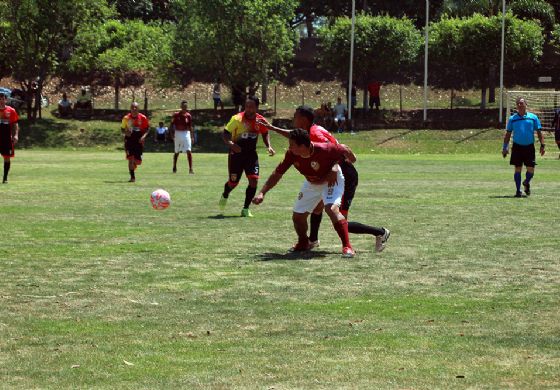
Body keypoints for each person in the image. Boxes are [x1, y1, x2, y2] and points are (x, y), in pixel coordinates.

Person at [258, 105, 390, 252]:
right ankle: (312, 240)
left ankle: (380, 232)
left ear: (304, 119)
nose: (293, 118)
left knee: (337, 216)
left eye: (295, 115)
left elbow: (335, 152)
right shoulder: (307, 133)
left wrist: (334, 167)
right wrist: (273, 128)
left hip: (342, 172)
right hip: (324, 172)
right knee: (316, 208)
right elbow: (294, 135)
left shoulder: (316, 136)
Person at [252, 129, 357, 258]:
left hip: (330, 181)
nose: (289, 147)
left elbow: (344, 150)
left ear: (302, 146)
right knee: (298, 217)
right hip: (312, 183)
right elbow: (277, 173)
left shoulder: (325, 149)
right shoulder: (292, 154)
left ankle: (348, 247)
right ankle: (303, 242)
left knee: (331, 208)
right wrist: (262, 193)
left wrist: (339, 165)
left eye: (292, 145)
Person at [219, 96, 275, 217]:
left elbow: (265, 133)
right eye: (247, 106)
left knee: (253, 181)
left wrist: (268, 146)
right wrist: (231, 144)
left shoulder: (260, 120)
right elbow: (225, 134)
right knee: (233, 183)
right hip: (236, 155)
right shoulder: (237, 119)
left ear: (257, 107)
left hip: (251, 155)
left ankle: (245, 209)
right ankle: (225, 194)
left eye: (251, 107)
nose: (248, 109)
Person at [502, 97, 545, 197]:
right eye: (518, 104)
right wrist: (505, 147)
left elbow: (539, 132)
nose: (520, 105)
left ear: (526, 105)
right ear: (516, 106)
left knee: (531, 170)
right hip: (517, 147)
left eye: (522, 103)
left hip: (529, 147)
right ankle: (518, 191)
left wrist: (542, 145)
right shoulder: (512, 119)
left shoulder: (533, 117)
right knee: (518, 168)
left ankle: (526, 182)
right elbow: (508, 134)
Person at [121, 102, 149, 183]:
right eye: (132, 107)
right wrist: (126, 133)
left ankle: (134, 164)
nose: (134, 109)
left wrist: (143, 137)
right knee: (130, 159)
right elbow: (122, 129)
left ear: (138, 109)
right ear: (130, 109)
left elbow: (147, 129)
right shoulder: (126, 118)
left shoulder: (143, 118)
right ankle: (132, 177)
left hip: (138, 140)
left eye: (135, 107)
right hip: (129, 140)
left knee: (137, 161)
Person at [170, 101, 194, 174]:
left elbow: (190, 126)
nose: (184, 108)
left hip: (186, 133)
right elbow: (171, 125)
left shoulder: (188, 116)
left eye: (185, 107)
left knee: (189, 150)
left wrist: (192, 136)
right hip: (178, 133)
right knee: (177, 151)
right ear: (181, 107)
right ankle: (174, 166)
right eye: (183, 106)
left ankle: (190, 169)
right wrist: (171, 134)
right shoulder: (176, 115)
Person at [0, 92, 19, 184]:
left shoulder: (11, 110)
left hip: (6, 138)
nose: (1, 101)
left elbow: (15, 124)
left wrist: (16, 135)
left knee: (7, 158)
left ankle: (5, 178)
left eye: (2, 99)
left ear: (6, 100)